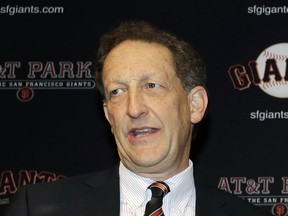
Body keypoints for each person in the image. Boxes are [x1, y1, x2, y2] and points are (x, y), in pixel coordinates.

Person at [4, 21, 270, 216]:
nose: (134, 108)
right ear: (109, 115)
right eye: (117, 92)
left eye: (151, 86)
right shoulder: (38, 208)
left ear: (195, 105)